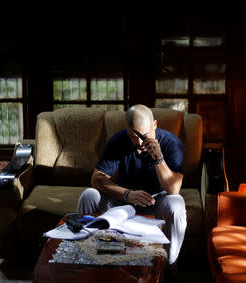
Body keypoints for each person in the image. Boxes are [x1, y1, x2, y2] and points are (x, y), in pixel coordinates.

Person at [77, 104, 187, 264]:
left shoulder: (171, 143)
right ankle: (87, 256)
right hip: (122, 204)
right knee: (89, 195)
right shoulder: (119, 141)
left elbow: (173, 188)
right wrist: (127, 194)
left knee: (176, 203)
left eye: (145, 135)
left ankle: (169, 265)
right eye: (133, 136)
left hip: (156, 203)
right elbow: (97, 178)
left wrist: (158, 158)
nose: (140, 141)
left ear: (154, 125)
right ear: (127, 130)